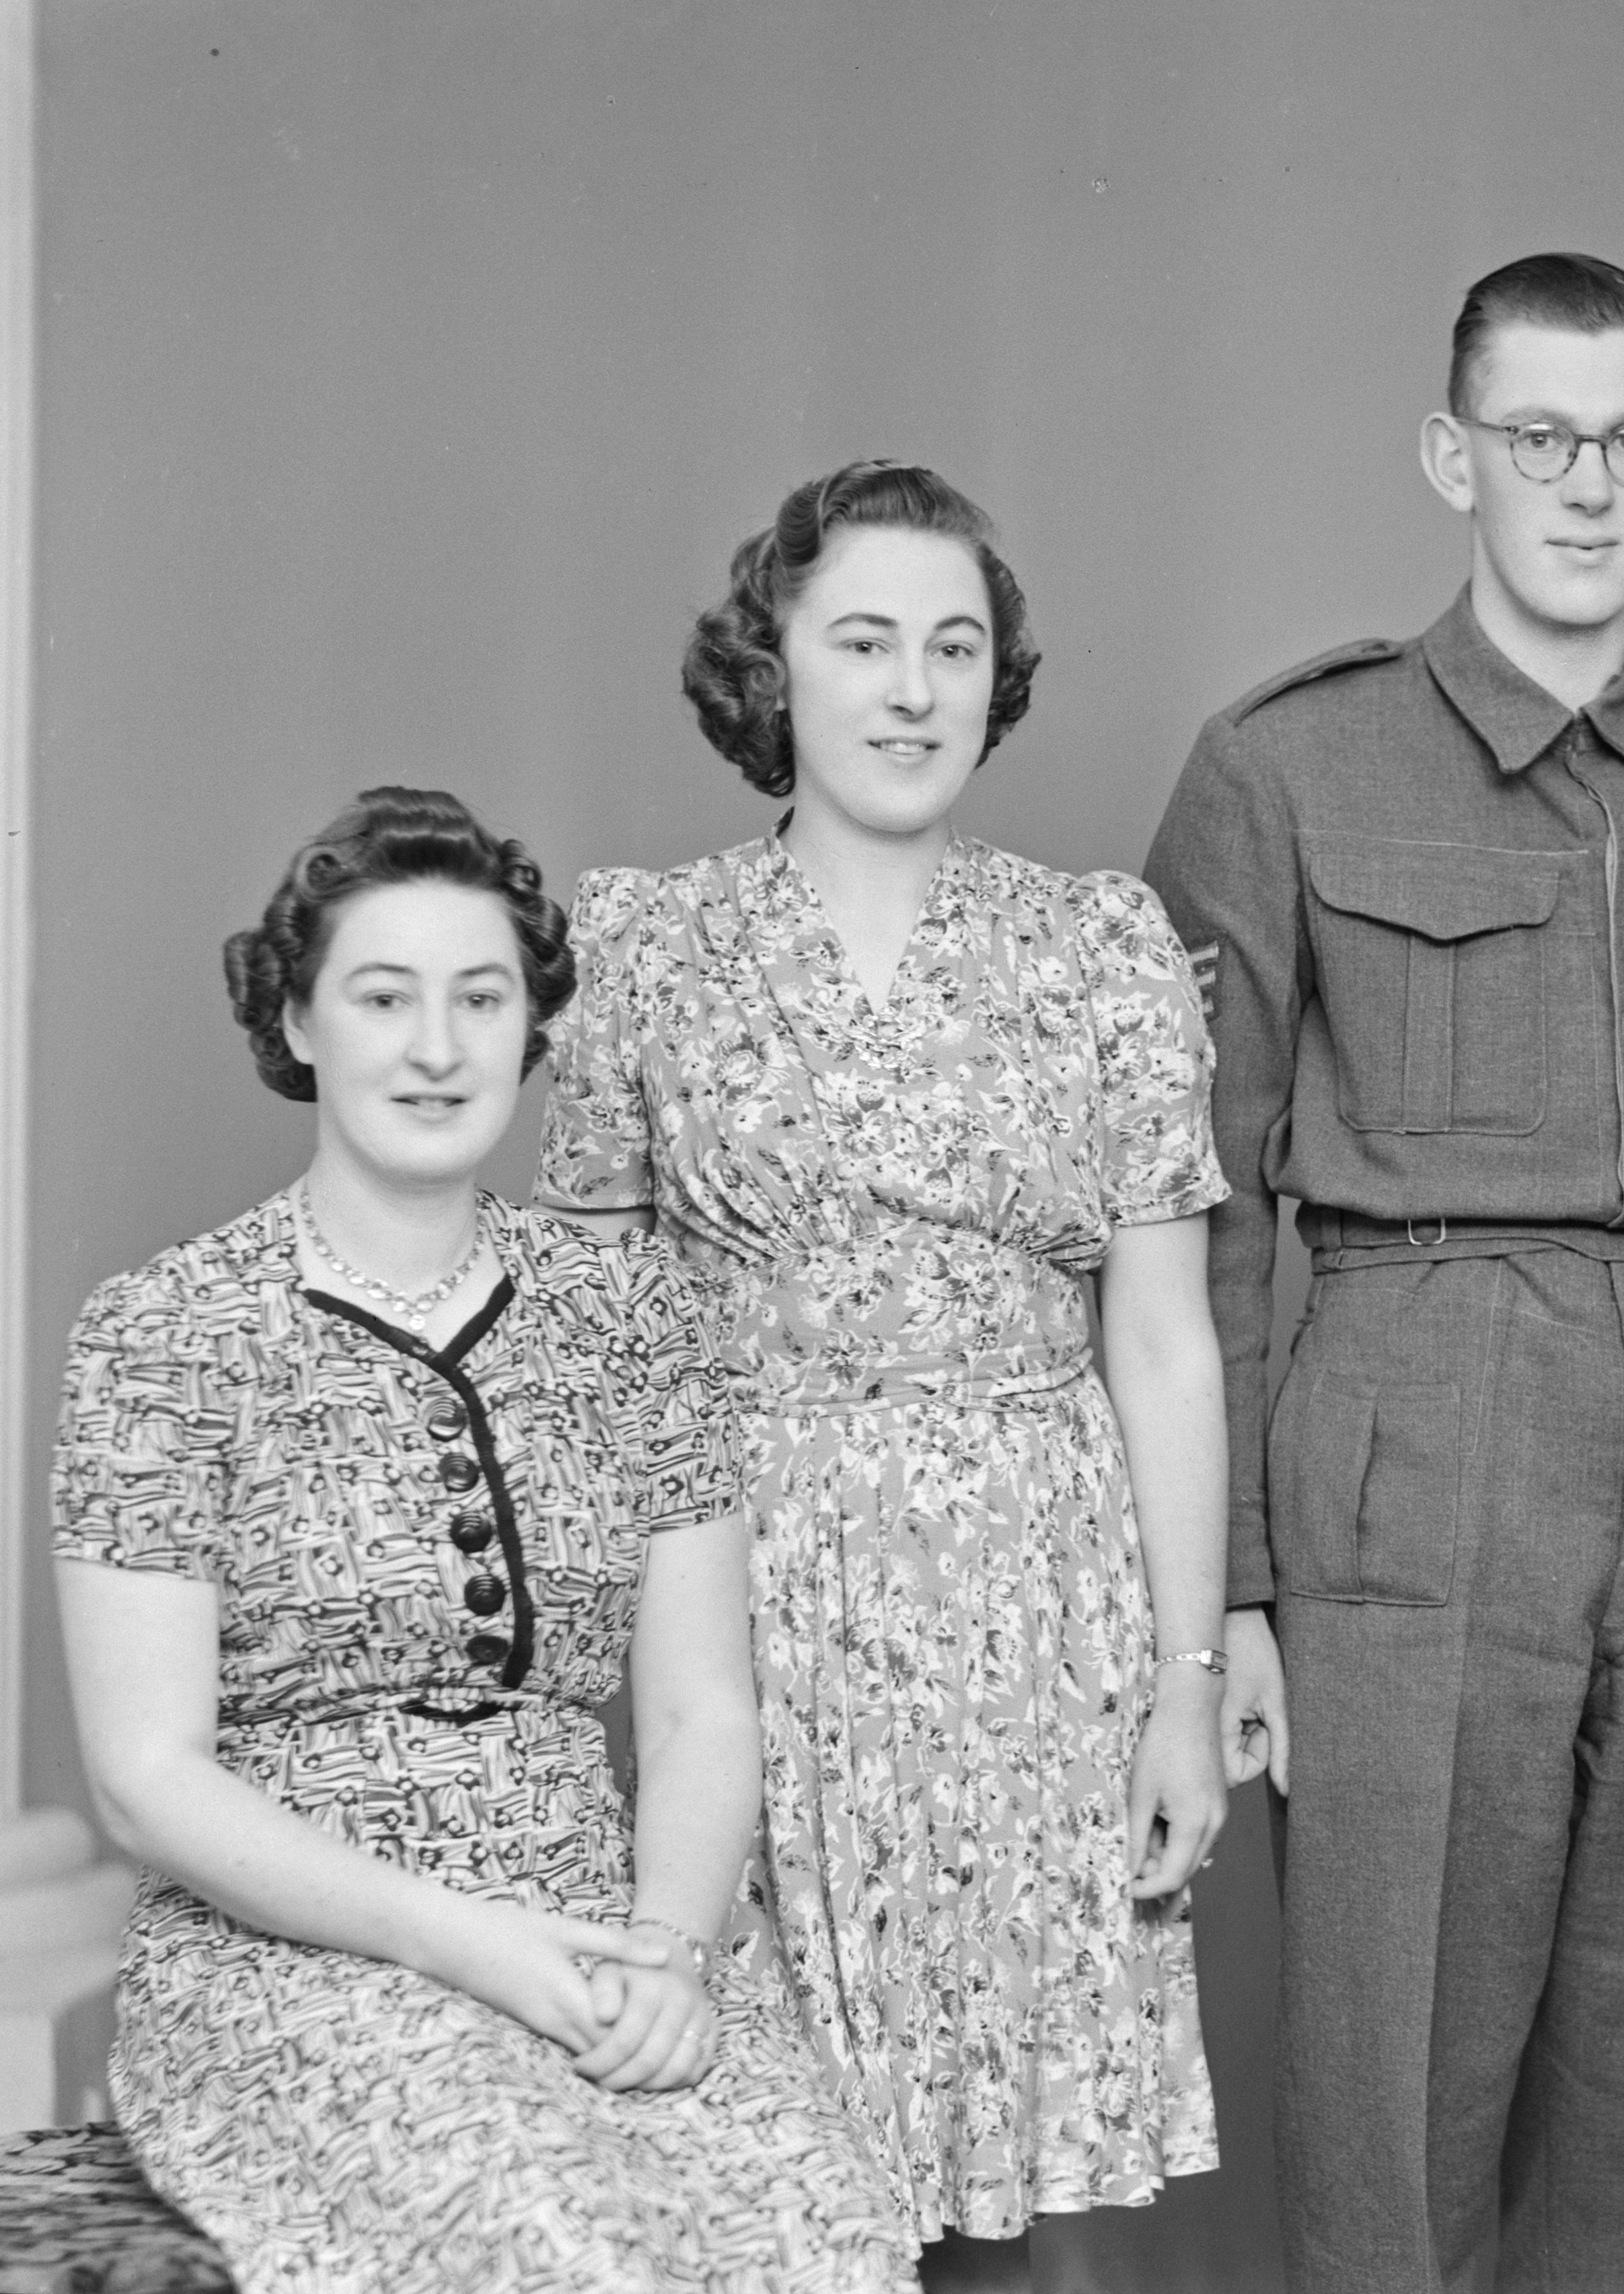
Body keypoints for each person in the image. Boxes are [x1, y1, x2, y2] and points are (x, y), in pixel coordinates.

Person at [1142, 250, 1624, 2294]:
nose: (1583, 483)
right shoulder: (1288, 763)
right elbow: (1193, 1225)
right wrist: (1238, 1592)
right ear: (1450, 456)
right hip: (1407, 1441)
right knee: (1394, 2095)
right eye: (1537, 436)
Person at [50, 789, 910, 2294]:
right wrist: (472, 1946)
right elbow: (145, 1777)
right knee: (545, 2232)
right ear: (300, 1022)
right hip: (299, 1954)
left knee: (819, 2238)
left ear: (530, 1029)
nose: (437, 1047)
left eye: (480, 997)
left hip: (609, 1919)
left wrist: (673, 1953)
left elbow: (704, 1709)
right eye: (384, 997)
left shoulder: (632, 1321)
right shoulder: (168, 1331)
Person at [535, 463, 1236, 2258]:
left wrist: (1177, 1683)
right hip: (748, 1614)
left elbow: (1160, 1344)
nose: (913, 688)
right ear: (774, 668)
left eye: (952, 645)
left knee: (1003, 2203)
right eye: (863, 641)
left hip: (1037, 1614)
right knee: (766, 2160)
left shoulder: (1096, 949)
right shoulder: (643, 951)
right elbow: (592, 1359)